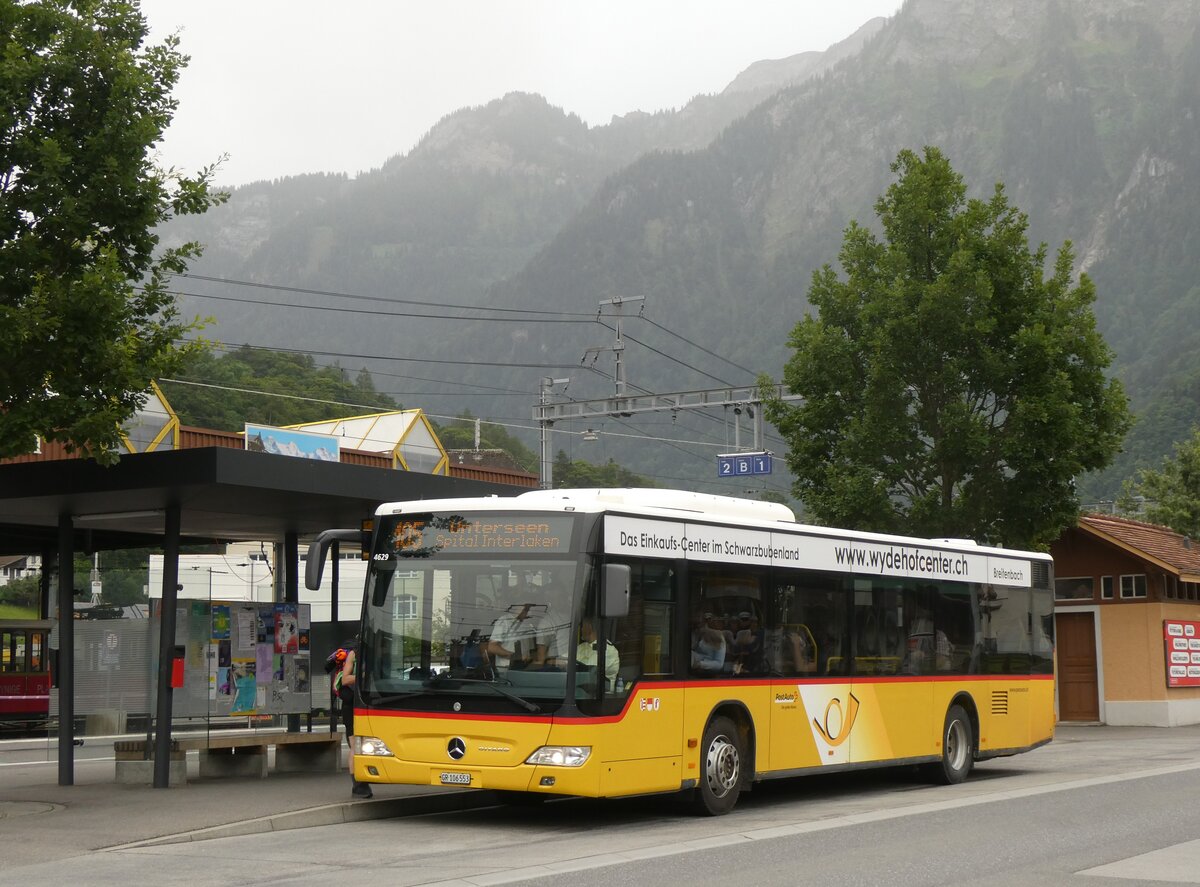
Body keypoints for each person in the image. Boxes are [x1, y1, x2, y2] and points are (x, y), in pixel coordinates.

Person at [333, 637, 372, 799]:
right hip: (351, 705)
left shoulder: (373, 655)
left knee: (363, 743)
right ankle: (358, 785)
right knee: (355, 743)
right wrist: (365, 677)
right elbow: (346, 678)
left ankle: (362, 781)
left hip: (365, 703)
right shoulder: (354, 655)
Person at [486, 599, 546, 670]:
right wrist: (514, 657)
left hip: (524, 668)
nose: (529, 612)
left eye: (530, 609)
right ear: (518, 607)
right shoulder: (504, 621)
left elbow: (531, 650)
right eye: (526, 609)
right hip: (506, 669)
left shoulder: (527, 624)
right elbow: (492, 647)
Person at [575, 616, 619, 691]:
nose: (580, 629)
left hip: (600, 695)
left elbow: (590, 672)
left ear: (589, 627)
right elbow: (565, 660)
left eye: (582, 626)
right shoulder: (581, 647)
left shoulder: (607, 649)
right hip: (580, 690)